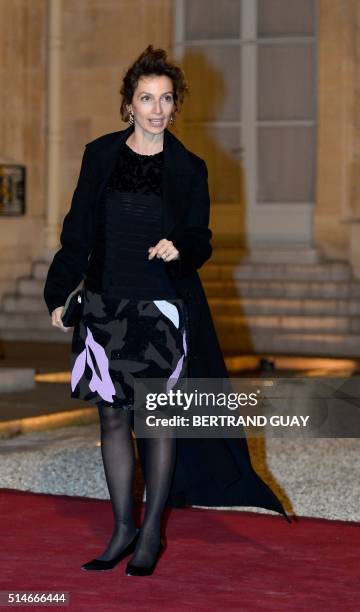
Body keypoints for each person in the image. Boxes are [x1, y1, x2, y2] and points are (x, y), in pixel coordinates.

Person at [43, 45, 291, 578]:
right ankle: (122, 529)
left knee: (155, 422)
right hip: (106, 303)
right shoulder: (100, 155)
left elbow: (201, 238)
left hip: (160, 309)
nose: (157, 109)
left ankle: (152, 530)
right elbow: (77, 230)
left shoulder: (189, 168)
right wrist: (59, 293)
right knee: (111, 417)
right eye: (146, 98)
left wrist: (181, 246)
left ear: (175, 106)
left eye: (166, 99)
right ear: (128, 104)